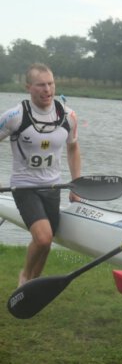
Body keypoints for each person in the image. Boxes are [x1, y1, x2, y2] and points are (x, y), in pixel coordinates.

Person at [0, 63, 81, 287]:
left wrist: (76, 184)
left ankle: (33, 286)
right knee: (43, 237)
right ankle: (24, 277)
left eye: (51, 84)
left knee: (46, 241)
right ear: (29, 87)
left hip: (53, 186)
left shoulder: (68, 115)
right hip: (24, 187)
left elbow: (73, 148)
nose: (47, 89)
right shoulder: (15, 116)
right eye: (41, 85)